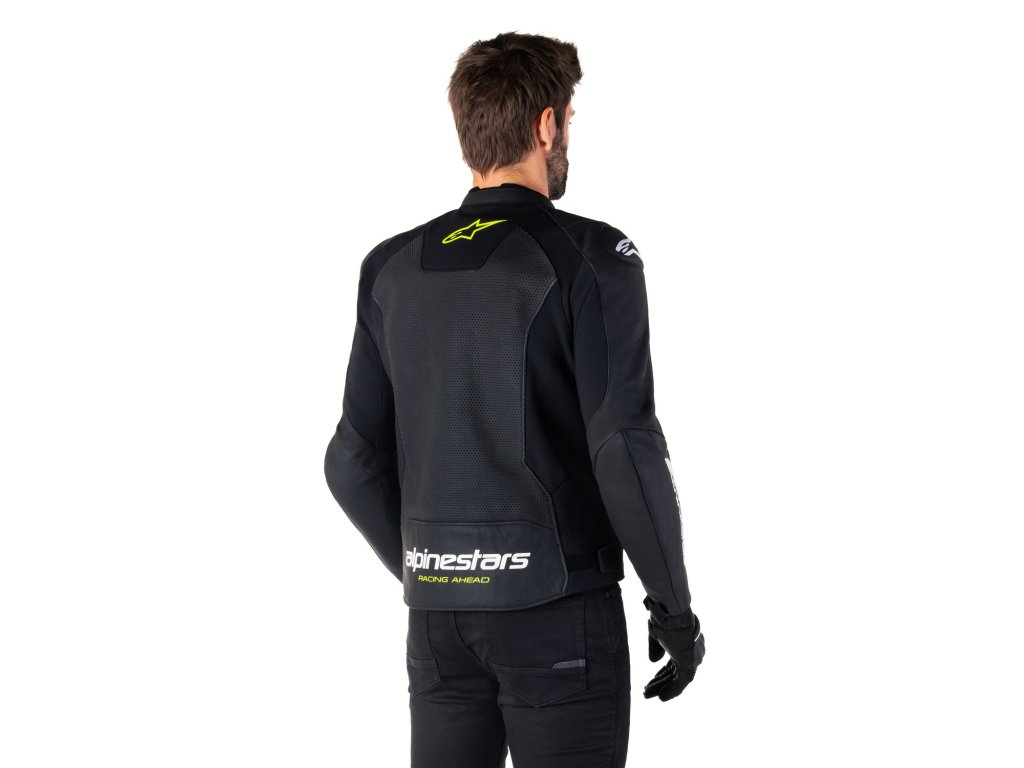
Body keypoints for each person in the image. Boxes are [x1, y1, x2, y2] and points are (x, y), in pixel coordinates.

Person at [324, 30, 705, 768]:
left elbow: (352, 460)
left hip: (438, 623)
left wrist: (439, 569)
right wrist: (674, 609)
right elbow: (624, 446)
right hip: (558, 614)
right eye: (570, 120)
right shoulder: (593, 256)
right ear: (546, 125)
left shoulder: (390, 267)